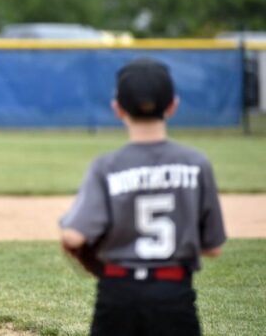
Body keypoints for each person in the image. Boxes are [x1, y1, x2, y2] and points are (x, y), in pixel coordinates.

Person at [59, 57, 226, 336]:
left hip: (117, 293)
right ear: (173, 106)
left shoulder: (107, 167)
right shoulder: (196, 163)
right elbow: (213, 247)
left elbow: (73, 237)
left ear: (117, 108)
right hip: (173, 293)